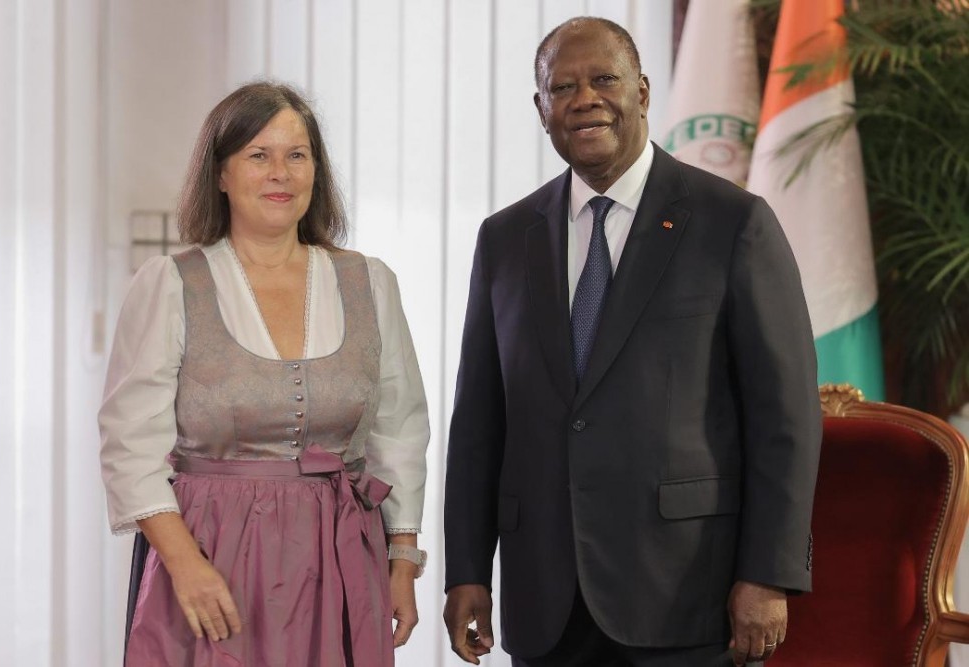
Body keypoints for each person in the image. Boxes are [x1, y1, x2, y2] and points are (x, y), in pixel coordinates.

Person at [443, 17, 821, 667]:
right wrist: (468, 570)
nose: (584, 99)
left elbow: (784, 417)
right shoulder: (504, 238)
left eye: (604, 79)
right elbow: (479, 420)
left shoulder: (732, 223)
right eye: (563, 87)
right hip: (546, 600)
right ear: (541, 108)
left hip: (687, 595)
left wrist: (768, 573)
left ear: (642, 92)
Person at [99, 81, 430, 666]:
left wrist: (401, 560)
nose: (281, 173)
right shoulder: (172, 284)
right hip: (210, 556)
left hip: (341, 557)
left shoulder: (370, 283)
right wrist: (184, 565)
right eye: (259, 155)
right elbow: (131, 444)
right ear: (221, 173)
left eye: (297, 155)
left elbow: (399, 431)